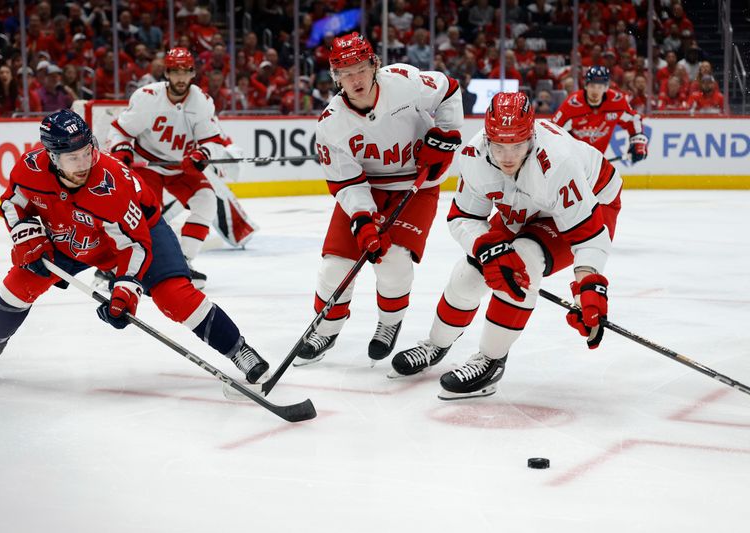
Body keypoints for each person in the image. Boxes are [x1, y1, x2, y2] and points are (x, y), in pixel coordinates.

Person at [0, 110, 269, 385]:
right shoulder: (29, 169)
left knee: (174, 296)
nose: (83, 163)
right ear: (51, 156)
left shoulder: (111, 183)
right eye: (72, 157)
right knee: (21, 281)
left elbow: (135, 246)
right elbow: (13, 203)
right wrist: (26, 236)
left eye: (86, 152)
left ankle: (239, 350)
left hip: (140, 235)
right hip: (73, 237)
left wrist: (124, 292)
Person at [389, 92, 623, 399]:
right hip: (526, 205)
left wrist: (590, 287)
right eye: (499, 146)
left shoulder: (558, 163)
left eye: (517, 145)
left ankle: (491, 360)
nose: (507, 156)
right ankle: (436, 344)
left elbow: (588, 235)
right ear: (487, 139)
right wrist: (487, 249)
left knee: (524, 262)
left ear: (532, 137)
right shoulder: (474, 156)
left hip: (594, 202)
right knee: (469, 271)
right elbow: (463, 217)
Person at [294, 32, 463, 366]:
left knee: (395, 263)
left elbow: (449, 90)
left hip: (417, 186)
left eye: (360, 68)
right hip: (366, 188)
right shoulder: (331, 123)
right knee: (334, 268)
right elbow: (347, 182)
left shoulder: (405, 82)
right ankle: (326, 327)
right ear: (335, 77)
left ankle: (389, 323)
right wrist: (362, 220)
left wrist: (447, 134)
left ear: (375, 65)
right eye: (345, 71)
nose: (354, 78)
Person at [105, 47, 253, 289]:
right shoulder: (147, 97)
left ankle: (182, 263)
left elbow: (210, 141)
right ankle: (129, 266)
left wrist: (200, 154)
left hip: (181, 168)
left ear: (193, 73)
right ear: (167, 73)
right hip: (149, 165)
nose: (181, 78)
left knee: (206, 201)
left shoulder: (203, 102)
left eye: (186, 72)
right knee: (145, 215)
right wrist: (121, 150)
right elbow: (120, 131)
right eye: (176, 72)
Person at [552, 66, 648, 163]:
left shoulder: (616, 102)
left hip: (596, 161)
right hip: (572, 160)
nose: (595, 91)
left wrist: (638, 142)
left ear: (606, 87)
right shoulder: (572, 104)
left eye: (600, 87)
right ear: (586, 86)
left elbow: (633, 120)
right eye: (592, 86)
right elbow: (552, 131)